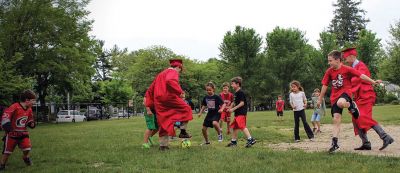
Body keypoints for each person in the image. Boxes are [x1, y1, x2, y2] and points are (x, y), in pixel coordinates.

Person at [317, 50, 381, 153]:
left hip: (345, 94)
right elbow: (324, 85)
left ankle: (350, 104)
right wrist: (320, 99)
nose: (329, 63)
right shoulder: (329, 71)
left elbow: (361, 76)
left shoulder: (347, 69)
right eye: (328, 61)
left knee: (340, 103)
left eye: (330, 61)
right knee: (336, 120)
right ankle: (335, 144)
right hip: (334, 97)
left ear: (337, 60)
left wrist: (373, 82)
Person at [342, 47, 394, 150]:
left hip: (366, 95)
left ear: (352, 56)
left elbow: (358, 78)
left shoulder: (361, 66)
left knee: (362, 117)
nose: (345, 60)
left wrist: (348, 81)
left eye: (346, 58)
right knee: (356, 117)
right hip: (359, 97)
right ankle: (366, 143)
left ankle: (385, 137)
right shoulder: (352, 66)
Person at [144, 59, 193, 151]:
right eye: (180, 70)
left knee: (164, 121)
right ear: (178, 67)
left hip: (159, 101)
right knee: (187, 109)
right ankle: (182, 131)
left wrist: (149, 104)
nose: (179, 72)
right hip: (168, 98)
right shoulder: (173, 72)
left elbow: (150, 90)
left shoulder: (160, 74)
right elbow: (170, 81)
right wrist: (180, 91)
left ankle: (163, 145)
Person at [0, 90, 36, 171]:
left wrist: (31, 123)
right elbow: (6, 115)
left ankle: (25, 157)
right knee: (7, 152)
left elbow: (30, 119)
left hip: (23, 133)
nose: (34, 102)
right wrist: (8, 127)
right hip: (12, 134)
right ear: (27, 100)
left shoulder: (29, 109)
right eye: (33, 100)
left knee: (27, 148)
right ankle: (2, 164)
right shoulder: (15, 106)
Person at [226, 77, 256, 148]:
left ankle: (250, 139)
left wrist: (233, 109)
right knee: (235, 127)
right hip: (237, 113)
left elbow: (242, 103)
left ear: (238, 84)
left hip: (241, 112)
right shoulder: (236, 93)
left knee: (242, 126)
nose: (231, 85)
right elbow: (234, 101)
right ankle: (233, 142)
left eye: (232, 84)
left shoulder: (241, 92)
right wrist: (230, 107)